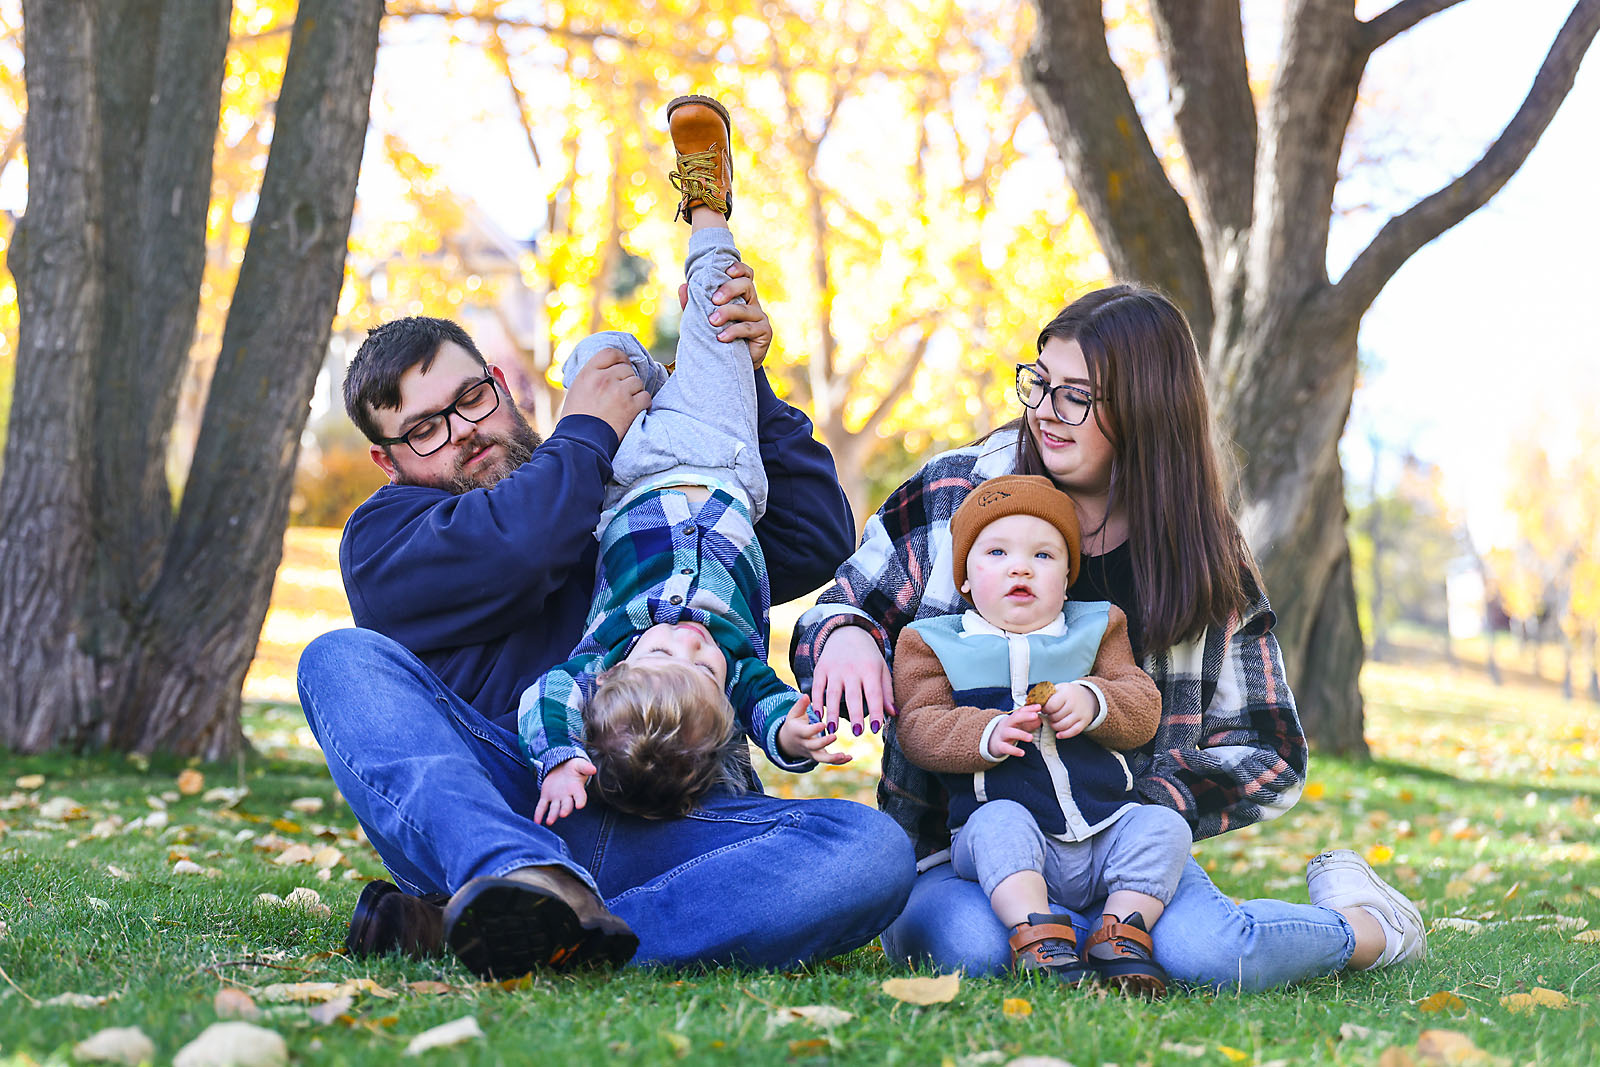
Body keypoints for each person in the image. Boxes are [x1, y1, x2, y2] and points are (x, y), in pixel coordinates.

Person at [298, 93, 914, 979]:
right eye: (426, 428)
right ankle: (514, 878)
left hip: (672, 812)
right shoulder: (390, 531)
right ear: (387, 459)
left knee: (869, 849)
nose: (464, 430)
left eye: (471, 398)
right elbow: (518, 547)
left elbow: (814, 535)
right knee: (336, 659)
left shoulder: (620, 492)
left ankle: (547, 929)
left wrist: (748, 374)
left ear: (501, 383)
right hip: (510, 799)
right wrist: (586, 432)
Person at [791, 284, 1427, 990]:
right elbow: (839, 608)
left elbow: (1271, 749)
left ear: (1145, 410)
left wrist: (1131, 810)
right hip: (966, 855)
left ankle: (1367, 924)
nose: (1043, 411)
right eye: (1040, 382)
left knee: (1210, 956)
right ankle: (1088, 939)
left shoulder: (1205, 557)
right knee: (974, 951)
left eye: (1076, 396)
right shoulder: (957, 492)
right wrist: (846, 633)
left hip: (1123, 856)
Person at [519, 97, 846, 828]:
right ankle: (707, 199)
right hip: (718, 452)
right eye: (705, 669)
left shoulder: (602, 649)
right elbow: (772, 713)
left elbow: (547, 697)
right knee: (720, 305)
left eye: (667, 649)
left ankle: (656, 369)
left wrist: (561, 754)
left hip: (624, 470)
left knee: (597, 354)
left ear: (616, 669)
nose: (694, 640)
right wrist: (795, 736)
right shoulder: (736, 660)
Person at [894, 474, 1190, 996]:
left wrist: (1094, 699)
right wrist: (988, 731)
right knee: (999, 822)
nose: (1021, 567)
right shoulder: (934, 643)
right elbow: (918, 727)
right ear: (963, 577)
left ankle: (1121, 935)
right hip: (1003, 842)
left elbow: (1143, 707)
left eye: (1045, 556)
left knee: (1164, 827)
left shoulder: (1097, 628)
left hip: (1103, 831)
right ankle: (1037, 934)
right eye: (997, 552)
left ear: (1068, 577)